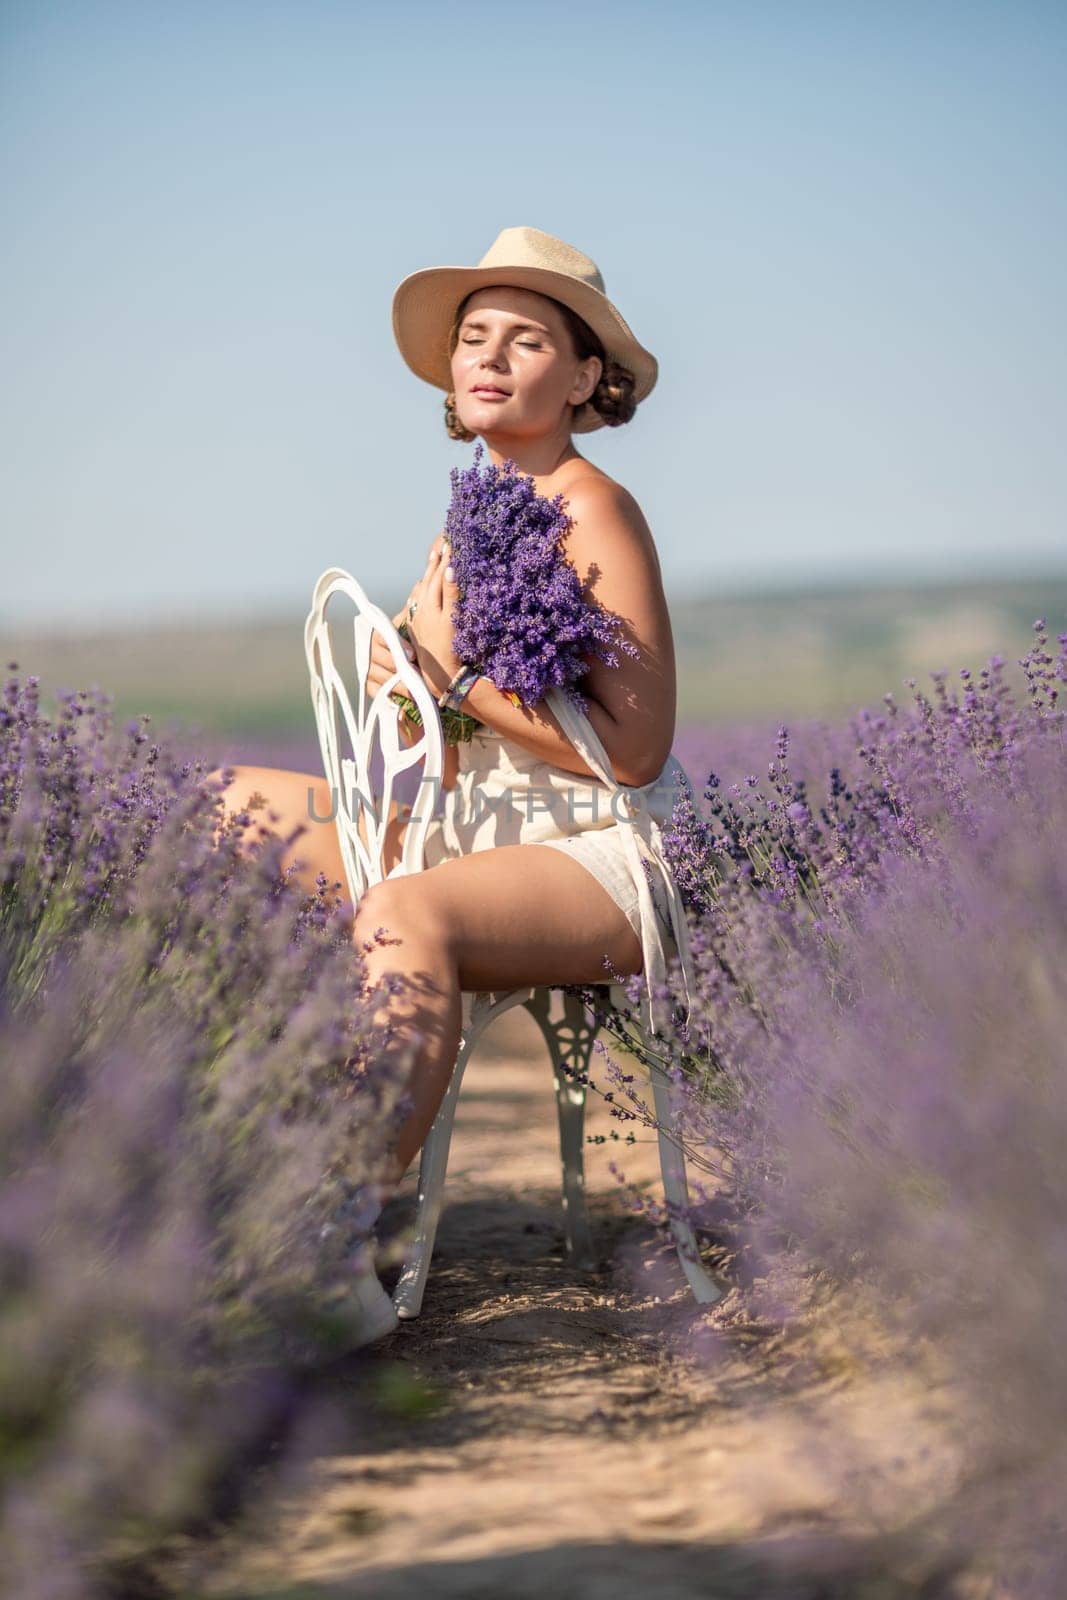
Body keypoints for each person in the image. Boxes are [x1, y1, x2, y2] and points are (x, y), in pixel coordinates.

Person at [206, 226, 697, 1343]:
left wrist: (455, 670)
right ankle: (201, 1149)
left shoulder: (593, 508)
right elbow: (465, 717)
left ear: (582, 380)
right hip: (479, 819)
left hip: (600, 850)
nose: (488, 354)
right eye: (474, 336)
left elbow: (633, 752)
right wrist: (409, 688)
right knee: (222, 804)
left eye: (527, 339)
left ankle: (329, 1243)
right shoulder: (474, 506)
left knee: (402, 911)